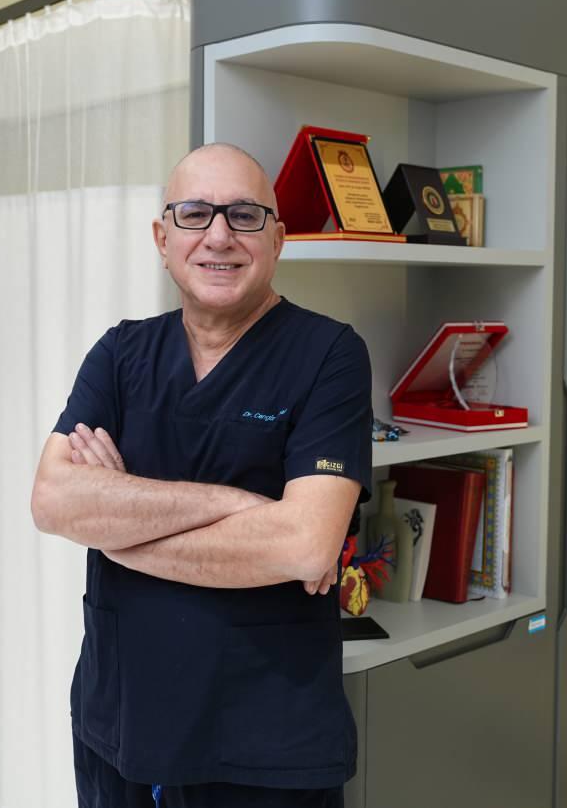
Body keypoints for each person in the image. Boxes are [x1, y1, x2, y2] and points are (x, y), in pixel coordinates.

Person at [31, 142, 372, 808]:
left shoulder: (329, 355)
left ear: (278, 240)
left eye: (244, 215)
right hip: (120, 722)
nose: (219, 236)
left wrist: (118, 528)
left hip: (264, 742)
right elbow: (53, 501)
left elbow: (305, 546)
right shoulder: (121, 353)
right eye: (194, 214)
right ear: (163, 239)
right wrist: (240, 506)